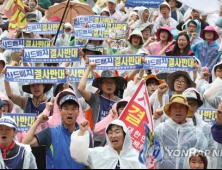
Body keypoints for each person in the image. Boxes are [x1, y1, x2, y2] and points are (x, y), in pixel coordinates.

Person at [22, 92, 89, 169]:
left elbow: (89, 163)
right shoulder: (50, 132)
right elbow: (25, 143)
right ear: (60, 111)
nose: (70, 112)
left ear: (78, 112)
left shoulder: (85, 134)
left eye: (73, 109)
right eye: (66, 108)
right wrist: (38, 121)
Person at [154, 95, 208, 169]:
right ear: (170, 111)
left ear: (187, 110)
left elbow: (204, 159)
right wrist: (154, 118)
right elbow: (148, 143)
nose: (178, 110)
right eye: (174, 107)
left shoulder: (196, 134)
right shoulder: (161, 129)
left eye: (182, 107)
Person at [78, 63, 125, 146]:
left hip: (116, 141)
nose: (109, 85)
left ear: (116, 84)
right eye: (106, 82)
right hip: (98, 140)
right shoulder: (95, 99)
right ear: (100, 85)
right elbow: (80, 88)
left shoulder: (121, 102)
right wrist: (88, 69)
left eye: (112, 82)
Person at [70, 119, 146, 169]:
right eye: (110, 133)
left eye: (117, 132)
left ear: (125, 135)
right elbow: (77, 154)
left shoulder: (136, 157)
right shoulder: (99, 153)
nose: (113, 135)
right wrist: (81, 132)